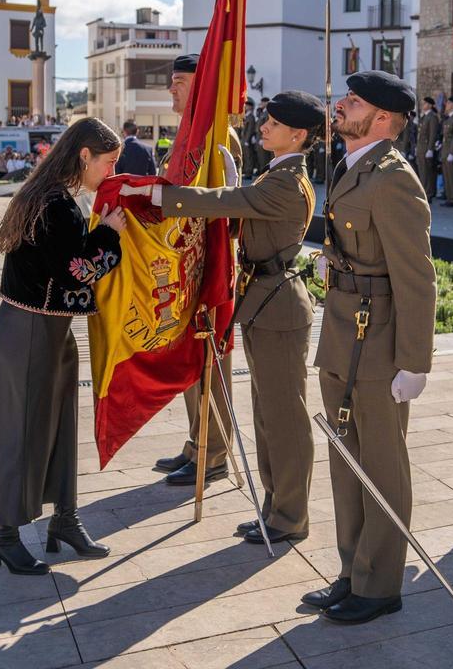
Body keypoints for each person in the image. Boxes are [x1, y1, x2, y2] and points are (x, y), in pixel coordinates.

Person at [124, 91, 322, 545]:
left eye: (274, 124)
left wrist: (158, 195)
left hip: (279, 308)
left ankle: (289, 515)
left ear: (298, 134)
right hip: (266, 303)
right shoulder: (277, 173)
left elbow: (221, 201)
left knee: (284, 419)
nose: (264, 127)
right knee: (269, 416)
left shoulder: (285, 182)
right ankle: (277, 508)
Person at [304, 70, 437, 625]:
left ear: (382, 118)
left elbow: (417, 276)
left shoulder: (393, 179)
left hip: (379, 341)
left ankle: (380, 584)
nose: (339, 104)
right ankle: (353, 569)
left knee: (381, 463)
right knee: (345, 458)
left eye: (352, 101)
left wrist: (415, 362)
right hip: (342, 330)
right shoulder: (352, 166)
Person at [0, 118, 126, 575]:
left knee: (61, 427)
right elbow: (77, 270)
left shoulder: (50, 195)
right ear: (84, 155)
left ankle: (64, 519)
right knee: (20, 432)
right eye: (108, 162)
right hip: (29, 330)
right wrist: (109, 234)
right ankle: (4, 534)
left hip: (48, 328)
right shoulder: (56, 205)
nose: (110, 171)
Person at [153, 52, 244, 486]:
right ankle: (196, 442)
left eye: (180, 82)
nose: (171, 88)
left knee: (212, 363)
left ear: (202, 87)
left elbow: (226, 204)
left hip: (209, 271)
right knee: (194, 364)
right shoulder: (187, 135)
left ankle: (215, 452)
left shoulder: (218, 137)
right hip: (184, 267)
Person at [416, 96, 440, 199]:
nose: (423, 105)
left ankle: (428, 193)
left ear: (430, 105)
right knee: (422, 171)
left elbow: (432, 134)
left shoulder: (432, 117)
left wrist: (430, 149)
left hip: (426, 147)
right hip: (421, 147)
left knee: (427, 172)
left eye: (425, 104)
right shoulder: (424, 117)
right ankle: (424, 191)